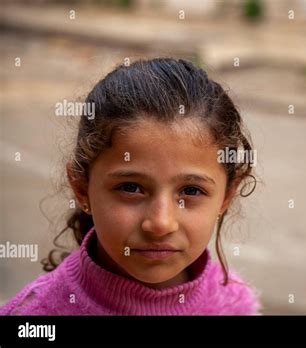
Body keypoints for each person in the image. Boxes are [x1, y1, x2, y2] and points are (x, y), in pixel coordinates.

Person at [1, 58, 261, 315]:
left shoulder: (234, 304)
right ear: (81, 188)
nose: (160, 223)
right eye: (130, 187)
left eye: (191, 191)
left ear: (226, 197)